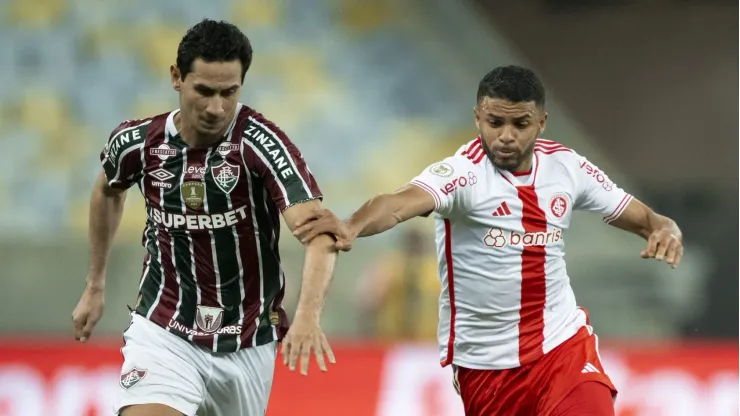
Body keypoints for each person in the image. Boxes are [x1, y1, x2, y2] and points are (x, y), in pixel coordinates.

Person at [292, 65, 684, 415]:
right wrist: (352, 226)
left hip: (561, 347)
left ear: (542, 122)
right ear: (478, 117)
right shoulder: (462, 175)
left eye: (520, 124)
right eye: (495, 123)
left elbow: (649, 219)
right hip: (486, 367)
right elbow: (397, 204)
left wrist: (667, 230)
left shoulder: (567, 167)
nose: (506, 137)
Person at [71, 19, 338, 416]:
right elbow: (108, 189)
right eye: (204, 91)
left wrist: (307, 316)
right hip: (164, 330)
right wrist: (95, 285)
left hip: (247, 340)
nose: (217, 107)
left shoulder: (261, 143)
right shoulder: (137, 143)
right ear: (176, 77)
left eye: (229, 92)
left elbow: (320, 234)